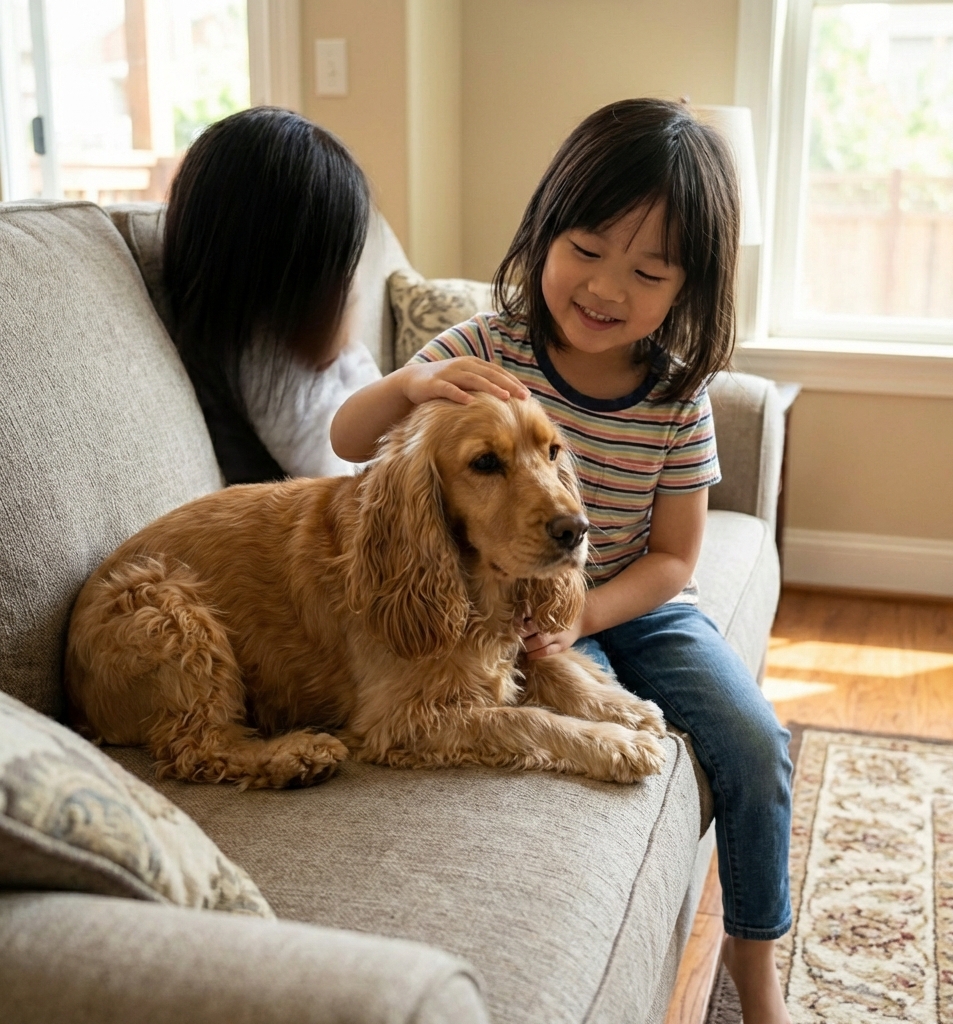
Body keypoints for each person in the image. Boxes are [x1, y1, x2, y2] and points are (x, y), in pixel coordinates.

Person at [330, 98, 793, 1024]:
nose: (607, 287)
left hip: (629, 604)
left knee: (756, 744)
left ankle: (754, 963)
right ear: (544, 233)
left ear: (686, 288)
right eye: (585, 249)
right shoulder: (481, 348)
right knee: (589, 724)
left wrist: (582, 617)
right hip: (509, 611)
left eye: (648, 270)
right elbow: (347, 439)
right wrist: (413, 385)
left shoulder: (677, 396)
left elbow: (675, 561)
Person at [164, 106, 379, 484]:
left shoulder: (286, 345)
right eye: (342, 273)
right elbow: (341, 483)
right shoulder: (272, 378)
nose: (352, 283)